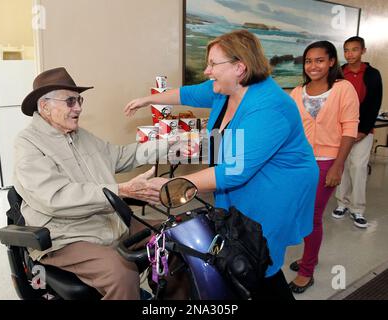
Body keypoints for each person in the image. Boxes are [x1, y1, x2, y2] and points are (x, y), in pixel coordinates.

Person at [124, 30, 319, 300]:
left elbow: (234, 171)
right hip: (239, 182)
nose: (206, 71)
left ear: (240, 67)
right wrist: (149, 99)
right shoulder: (224, 90)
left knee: (258, 261)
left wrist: (174, 185)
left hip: (275, 189)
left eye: (213, 64)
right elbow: (188, 93)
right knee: (234, 253)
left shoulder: (269, 107)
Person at [13, 67, 170, 300]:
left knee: (174, 236)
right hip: (66, 236)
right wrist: (120, 191)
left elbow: (121, 155)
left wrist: (171, 145)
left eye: (79, 100)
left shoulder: (80, 136)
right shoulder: (28, 144)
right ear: (45, 107)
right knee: (122, 273)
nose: (78, 107)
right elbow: (55, 197)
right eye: (70, 101)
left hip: (109, 223)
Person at [289, 41, 359, 293]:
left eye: (319, 60)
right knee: (300, 213)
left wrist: (338, 166)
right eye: (308, 61)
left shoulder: (343, 89)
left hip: (327, 161)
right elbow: (291, 131)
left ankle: (307, 271)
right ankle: (311, 256)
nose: (313, 65)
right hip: (299, 163)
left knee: (311, 216)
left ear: (331, 62)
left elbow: (350, 129)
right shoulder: (297, 92)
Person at [333, 36, 383, 228]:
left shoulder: (372, 74)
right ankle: (341, 204)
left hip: (363, 130)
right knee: (342, 166)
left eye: (354, 50)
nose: (349, 54)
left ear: (363, 51)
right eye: (346, 50)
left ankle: (358, 209)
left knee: (359, 168)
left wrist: (362, 130)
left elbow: (374, 103)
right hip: (340, 130)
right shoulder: (338, 73)